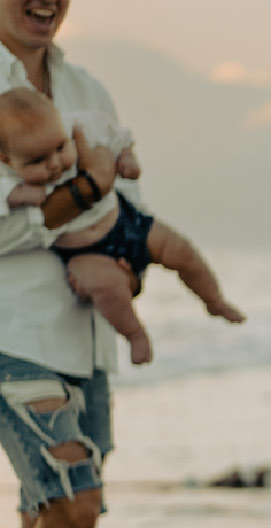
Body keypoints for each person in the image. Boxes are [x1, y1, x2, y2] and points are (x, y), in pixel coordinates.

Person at [0, 0, 154, 528]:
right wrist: (85, 190)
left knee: (48, 511)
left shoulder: (88, 89)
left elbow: (129, 204)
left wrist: (125, 256)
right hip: (13, 333)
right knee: (71, 502)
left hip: (86, 331)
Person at [0, 88, 245, 365]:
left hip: (124, 221)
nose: (55, 164)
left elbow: (112, 133)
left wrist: (126, 155)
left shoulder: (75, 124)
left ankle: (214, 301)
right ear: (6, 159)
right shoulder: (5, 175)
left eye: (60, 148)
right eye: (38, 161)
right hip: (85, 251)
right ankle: (134, 334)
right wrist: (15, 196)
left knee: (182, 251)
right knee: (104, 288)